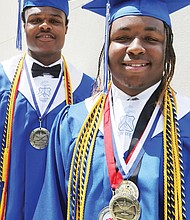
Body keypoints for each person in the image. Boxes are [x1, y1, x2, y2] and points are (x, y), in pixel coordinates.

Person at [33, 0, 190, 219]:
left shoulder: (186, 121)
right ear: (107, 46)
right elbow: (51, 209)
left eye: (152, 39)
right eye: (122, 38)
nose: (135, 48)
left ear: (167, 49)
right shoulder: (73, 122)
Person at [0, 0, 95, 219]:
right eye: (36, 20)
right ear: (23, 25)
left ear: (66, 28)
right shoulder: (3, 79)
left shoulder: (87, 90)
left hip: (61, 206)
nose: (45, 26)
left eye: (54, 20)